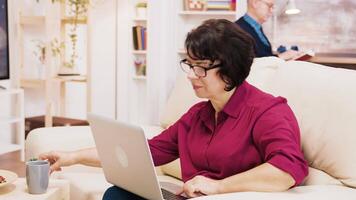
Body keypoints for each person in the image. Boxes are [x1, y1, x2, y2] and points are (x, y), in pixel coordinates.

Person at [40, 19, 308, 199]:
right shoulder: (197, 116)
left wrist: (217, 186)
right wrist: (72, 157)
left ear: (230, 69)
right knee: (116, 194)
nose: (191, 75)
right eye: (189, 65)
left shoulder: (267, 111)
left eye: (200, 67)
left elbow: (286, 170)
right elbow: (146, 152)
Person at [235, 0, 300, 60]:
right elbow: (248, 63)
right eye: (269, 6)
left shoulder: (257, 28)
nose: (271, 10)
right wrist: (281, 57)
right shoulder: (237, 30)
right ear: (255, 2)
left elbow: (263, 55)